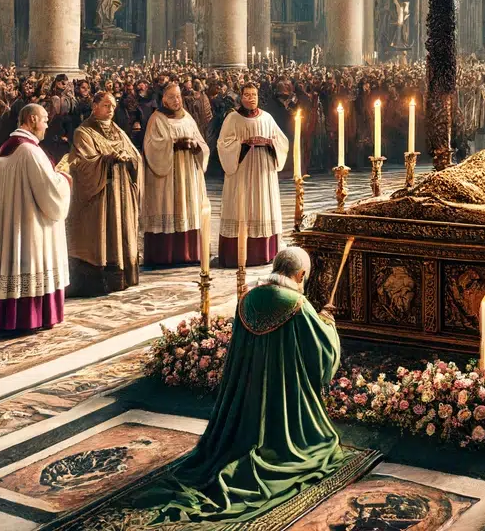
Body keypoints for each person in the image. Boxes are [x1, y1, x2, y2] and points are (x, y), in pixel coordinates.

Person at [138, 246, 343, 522]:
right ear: (301, 274)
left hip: (245, 399)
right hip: (281, 401)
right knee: (323, 445)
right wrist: (327, 321)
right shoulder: (297, 304)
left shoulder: (248, 298)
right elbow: (321, 352)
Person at [0, 103, 71, 331]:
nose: (47, 125)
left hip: (12, 223)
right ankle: (29, 317)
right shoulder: (30, 151)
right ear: (32, 119)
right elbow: (50, 191)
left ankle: (6, 317)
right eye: (44, 119)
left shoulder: (6, 146)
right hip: (30, 225)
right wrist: (64, 176)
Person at [68, 91, 143, 296]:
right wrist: (107, 159)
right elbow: (82, 162)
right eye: (106, 105)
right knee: (102, 233)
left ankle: (121, 275)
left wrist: (130, 158)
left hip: (121, 191)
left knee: (120, 230)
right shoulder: (83, 132)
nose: (110, 110)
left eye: (112, 106)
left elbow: (135, 154)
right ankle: (98, 279)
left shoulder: (117, 130)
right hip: (101, 194)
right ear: (94, 106)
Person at [217, 83, 290, 267]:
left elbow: (282, 141)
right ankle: (239, 253)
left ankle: (265, 252)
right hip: (241, 172)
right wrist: (242, 144)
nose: (251, 98)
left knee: (262, 205)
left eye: (254, 94)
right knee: (242, 205)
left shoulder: (267, 118)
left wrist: (270, 143)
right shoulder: (232, 118)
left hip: (263, 172)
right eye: (247, 95)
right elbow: (223, 144)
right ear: (241, 97)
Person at [142, 81, 210, 265]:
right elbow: (151, 146)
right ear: (163, 100)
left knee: (188, 207)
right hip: (168, 175)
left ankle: (189, 252)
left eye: (178, 96)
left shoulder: (187, 117)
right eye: (171, 97)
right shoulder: (156, 118)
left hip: (188, 171)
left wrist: (196, 146)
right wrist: (172, 144)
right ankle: (166, 254)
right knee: (169, 206)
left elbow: (201, 141)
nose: (176, 100)